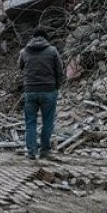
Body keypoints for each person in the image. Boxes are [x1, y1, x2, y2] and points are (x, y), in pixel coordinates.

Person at [19, 28, 64, 160]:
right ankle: (45, 151)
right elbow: (60, 70)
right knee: (48, 121)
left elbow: (20, 66)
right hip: (49, 90)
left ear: (32, 37)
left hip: (30, 91)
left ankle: (31, 152)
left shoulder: (24, 51)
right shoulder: (52, 51)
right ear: (45, 38)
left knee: (30, 122)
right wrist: (56, 86)